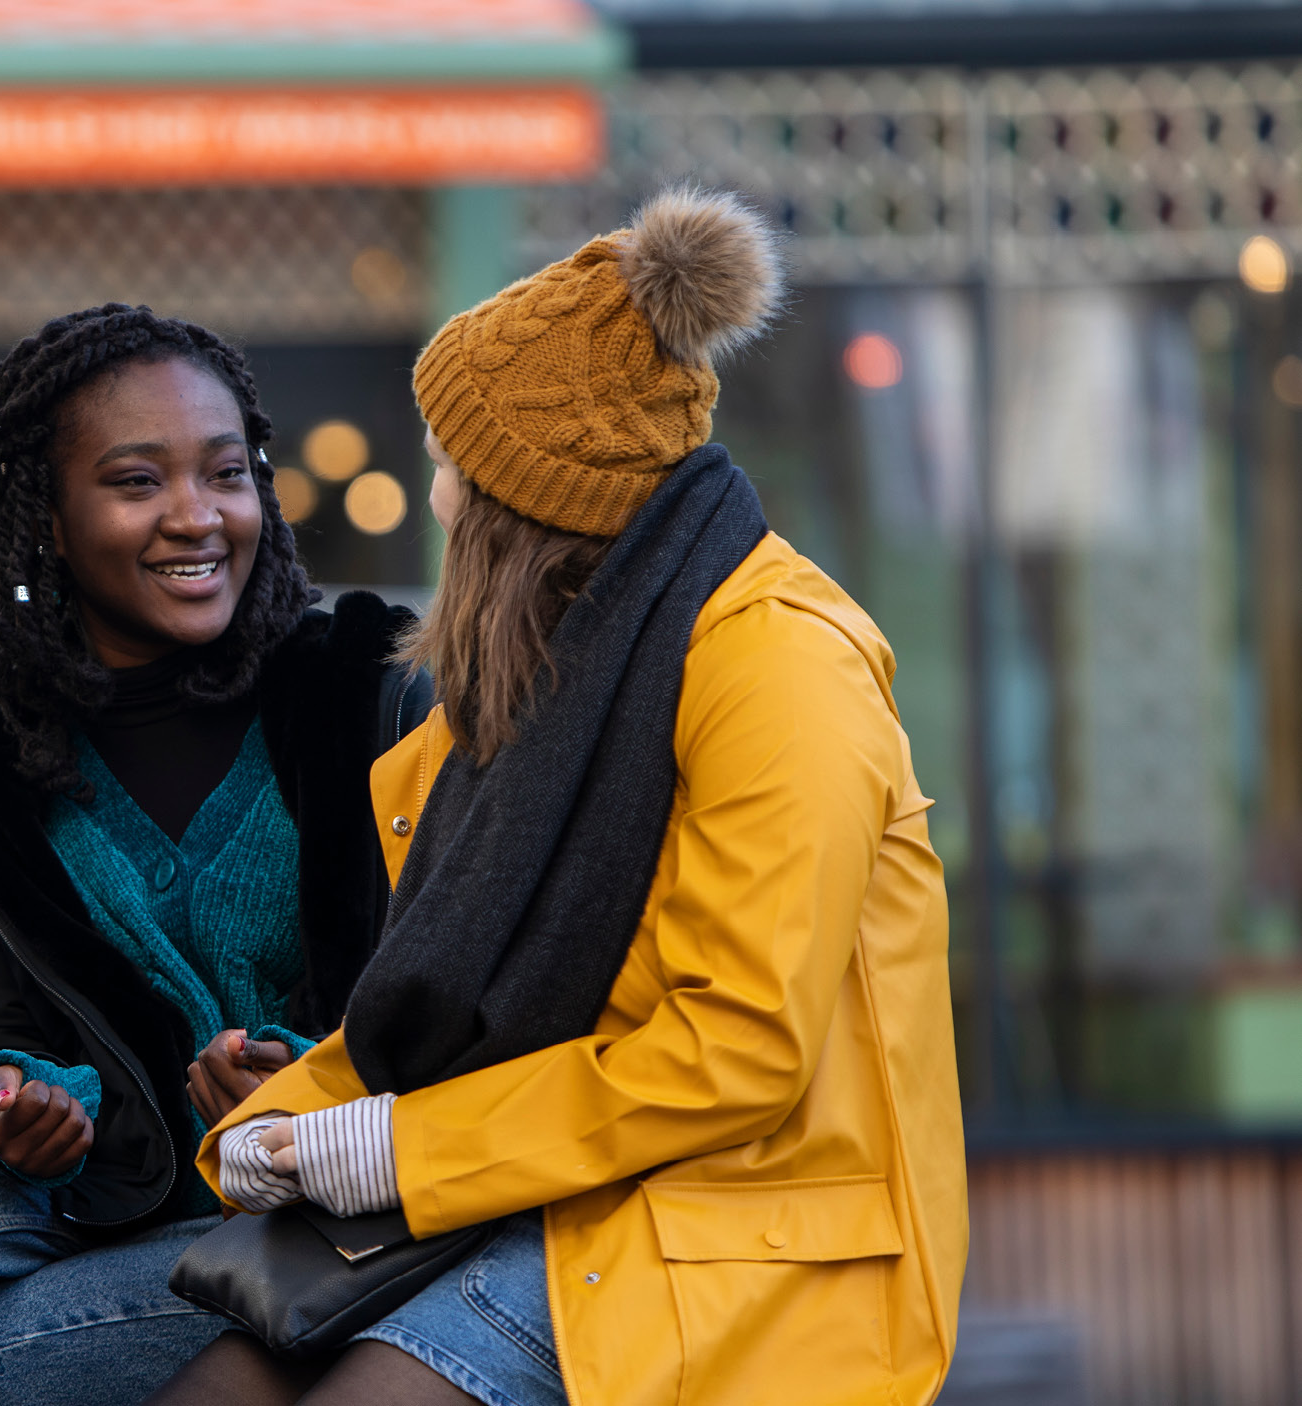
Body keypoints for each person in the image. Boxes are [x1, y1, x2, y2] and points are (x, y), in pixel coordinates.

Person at [150, 188, 968, 1406]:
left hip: (740, 1238)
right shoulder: (557, 669)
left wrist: (394, 1150)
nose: (431, 501)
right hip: (556, 1199)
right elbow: (449, 1004)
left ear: (527, 502)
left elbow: (734, 1049)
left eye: (448, 469)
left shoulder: (781, 667)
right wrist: (273, 1124)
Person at [0, 304, 426, 1406]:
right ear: (47, 517)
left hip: (340, 1231)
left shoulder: (376, 699)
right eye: (137, 481)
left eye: (226, 473)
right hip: (104, 1232)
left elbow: (474, 1003)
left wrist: (309, 1085)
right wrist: (12, 1105)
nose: (196, 517)